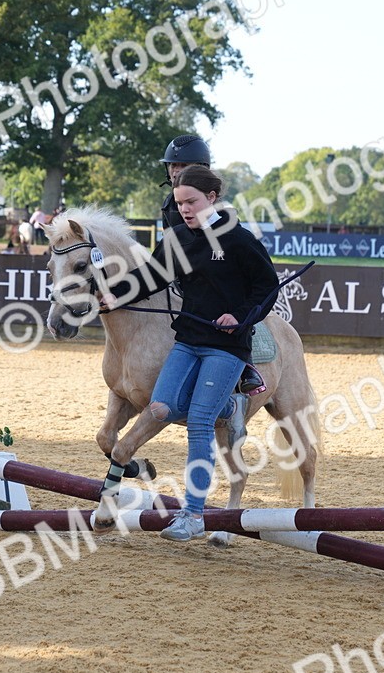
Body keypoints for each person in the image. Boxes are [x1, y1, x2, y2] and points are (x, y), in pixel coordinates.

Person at [99, 165, 280, 542]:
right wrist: (115, 294)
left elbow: (267, 286)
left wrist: (242, 317)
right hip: (187, 341)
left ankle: (194, 515)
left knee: (199, 423)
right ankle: (229, 409)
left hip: (226, 346)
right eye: (179, 202)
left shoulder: (239, 240)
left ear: (212, 198)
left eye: (191, 201)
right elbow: (151, 277)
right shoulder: (177, 237)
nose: (184, 208)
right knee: (161, 408)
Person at [159, 135, 267, 396]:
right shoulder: (170, 203)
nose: (176, 172)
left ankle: (247, 366)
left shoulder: (212, 202)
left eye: (182, 167)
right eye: (173, 166)